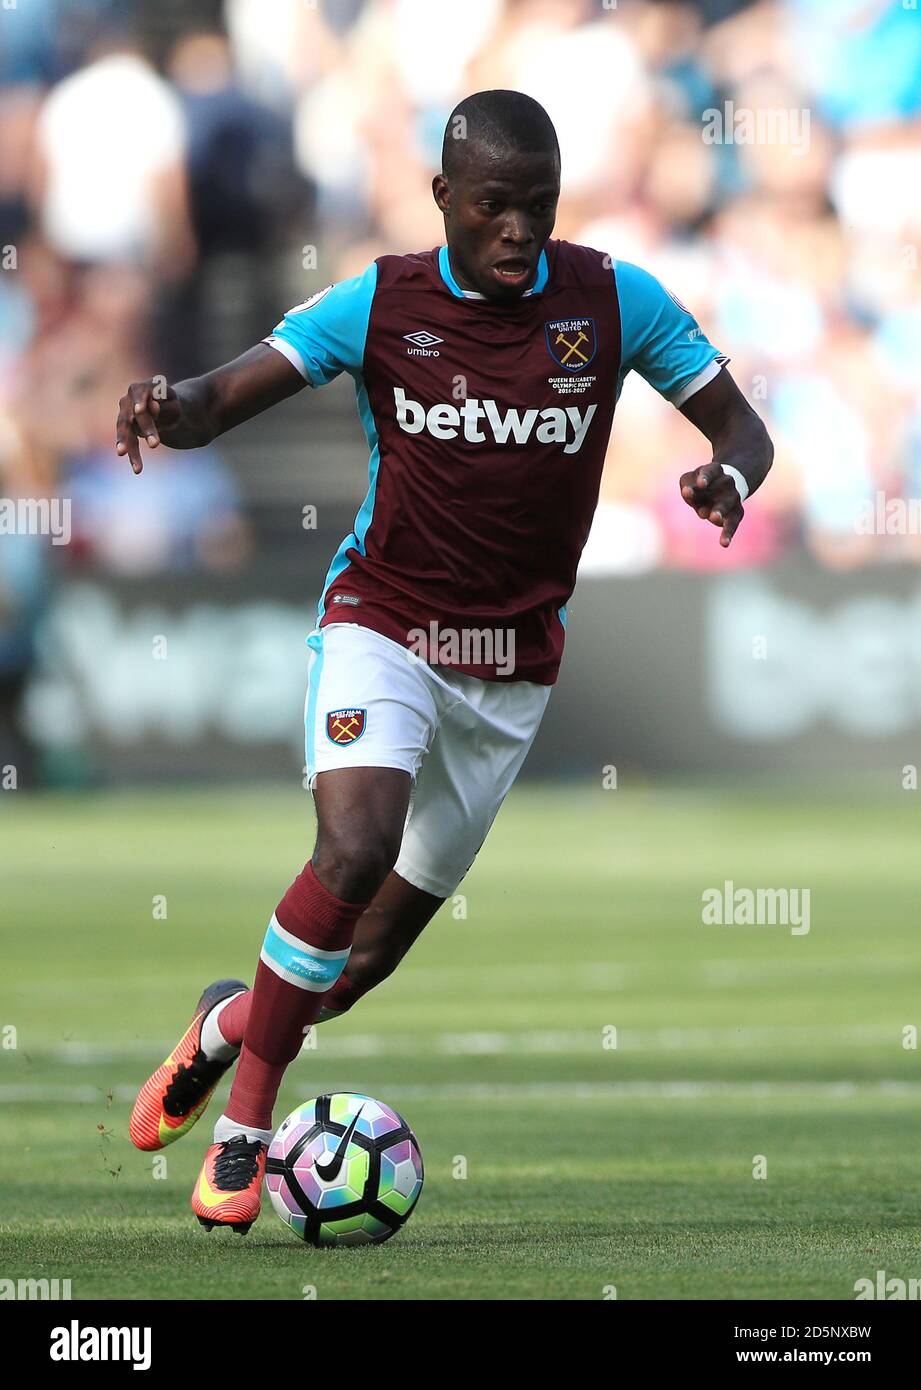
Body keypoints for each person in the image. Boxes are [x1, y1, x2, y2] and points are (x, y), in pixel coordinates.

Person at [118, 90, 772, 1233]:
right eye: (494, 208)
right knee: (355, 843)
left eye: (539, 208)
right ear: (444, 202)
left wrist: (734, 474)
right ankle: (239, 1141)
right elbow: (218, 400)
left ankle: (229, 1024)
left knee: (349, 970)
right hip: (384, 622)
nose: (519, 230)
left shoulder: (616, 301)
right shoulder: (382, 301)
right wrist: (164, 407)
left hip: (509, 672)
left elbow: (744, 429)